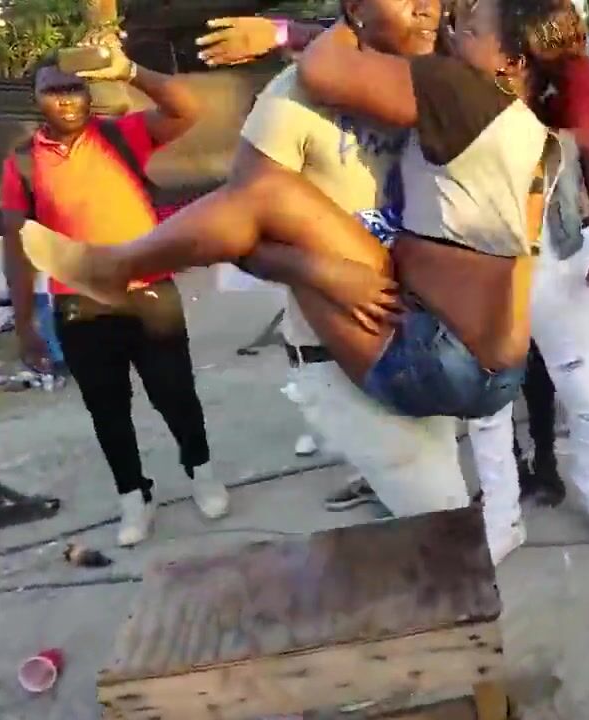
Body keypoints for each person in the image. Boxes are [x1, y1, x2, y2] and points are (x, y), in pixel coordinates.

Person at [22, 0, 580, 424]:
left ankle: (115, 268)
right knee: (267, 199)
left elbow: (323, 68)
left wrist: (327, 21)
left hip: (438, 360)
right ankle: (118, 266)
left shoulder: (457, 90)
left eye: (470, 30)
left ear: (511, 61)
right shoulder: (523, 121)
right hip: (495, 363)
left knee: (260, 200)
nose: (448, 30)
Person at [195, 1, 473, 519]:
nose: (427, 7)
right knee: (446, 521)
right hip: (344, 355)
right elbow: (233, 232)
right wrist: (321, 273)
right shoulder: (291, 99)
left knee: (435, 509)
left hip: (427, 340)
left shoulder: (434, 85)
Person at [0, 36, 220, 547]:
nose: (66, 100)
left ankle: (201, 471)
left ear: (89, 91)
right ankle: (133, 497)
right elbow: (16, 245)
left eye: (74, 88)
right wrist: (25, 322)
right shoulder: (23, 164)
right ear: (36, 96)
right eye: (53, 90)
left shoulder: (122, 135)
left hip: (148, 292)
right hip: (80, 304)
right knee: (107, 409)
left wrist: (129, 71)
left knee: (175, 394)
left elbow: (188, 108)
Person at [468, 126, 589, 564]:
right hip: (480, 258)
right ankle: (501, 516)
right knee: (485, 400)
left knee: (582, 388)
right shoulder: (450, 93)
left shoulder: (557, 91)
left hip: (559, 253)